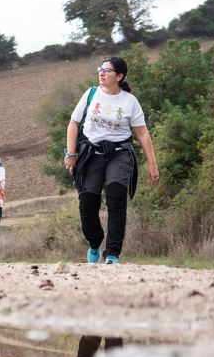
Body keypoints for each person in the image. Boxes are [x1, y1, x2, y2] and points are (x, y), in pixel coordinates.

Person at [63, 57, 160, 265]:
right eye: (101, 69)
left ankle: (113, 253)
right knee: (87, 205)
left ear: (119, 76)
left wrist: (153, 165)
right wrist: (70, 153)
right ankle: (95, 242)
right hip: (91, 153)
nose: (102, 72)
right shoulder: (90, 94)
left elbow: (142, 134)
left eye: (107, 70)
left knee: (117, 200)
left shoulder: (129, 101)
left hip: (119, 154)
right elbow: (73, 123)